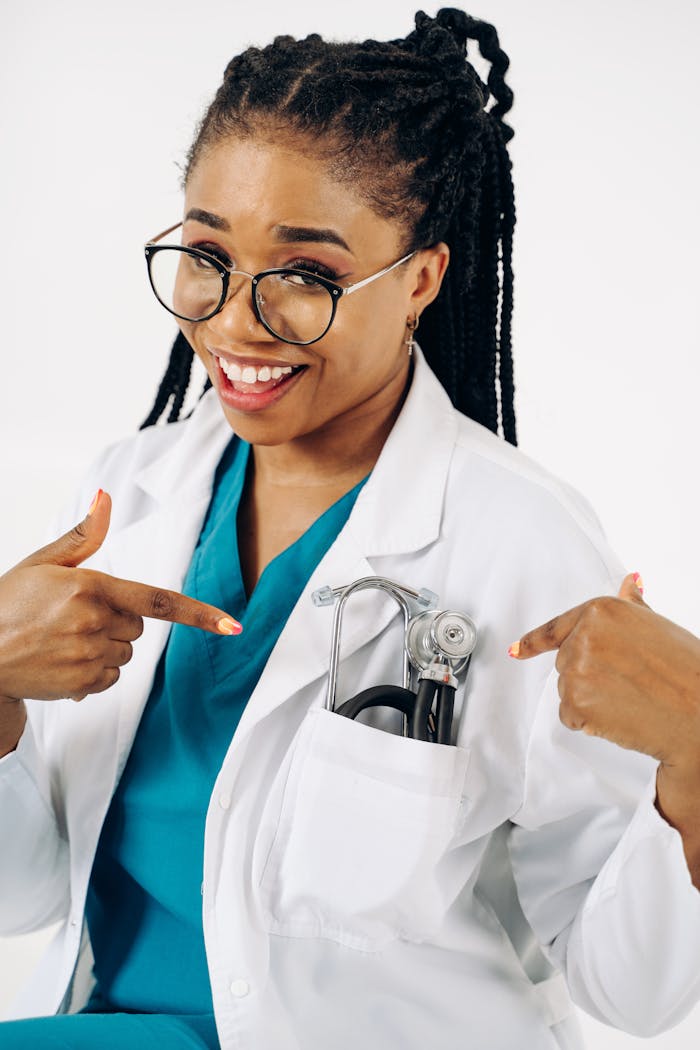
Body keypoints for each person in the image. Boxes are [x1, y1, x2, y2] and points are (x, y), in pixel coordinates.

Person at [0, 8, 699, 1049]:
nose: (238, 321)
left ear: (418, 279)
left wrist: (694, 748)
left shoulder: (515, 546)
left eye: (306, 276)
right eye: (206, 257)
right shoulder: (126, 497)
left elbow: (633, 992)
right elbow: (26, 894)